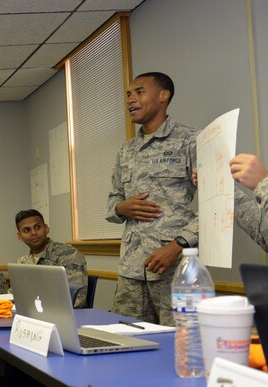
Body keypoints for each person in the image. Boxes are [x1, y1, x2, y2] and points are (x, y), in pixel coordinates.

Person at [107, 72, 199, 326]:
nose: (130, 99)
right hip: (132, 270)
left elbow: (217, 204)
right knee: (125, 343)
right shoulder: (126, 150)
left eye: (139, 92)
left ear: (163, 95)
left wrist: (178, 244)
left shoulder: (190, 140)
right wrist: (121, 207)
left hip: (174, 268)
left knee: (180, 345)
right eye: (128, 94)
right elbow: (112, 200)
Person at [14, 209, 89, 308]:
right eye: (26, 230)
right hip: (33, 315)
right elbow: (15, 295)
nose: (33, 233)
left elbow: (76, 300)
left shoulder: (68, 255)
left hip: (66, 317)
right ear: (19, 237)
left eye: (37, 227)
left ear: (46, 229)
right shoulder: (22, 262)